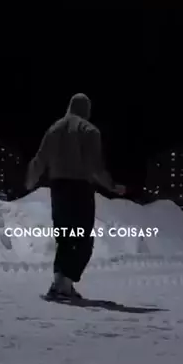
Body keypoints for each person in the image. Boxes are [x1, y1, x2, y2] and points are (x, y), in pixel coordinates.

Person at [25, 93, 125, 299]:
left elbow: (39, 159)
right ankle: (64, 283)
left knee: (64, 236)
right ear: (86, 109)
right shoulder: (89, 130)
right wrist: (112, 186)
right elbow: (94, 166)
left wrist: (30, 181)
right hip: (80, 188)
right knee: (82, 238)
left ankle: (60, 284)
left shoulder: (54, 128)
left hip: (58, 188)